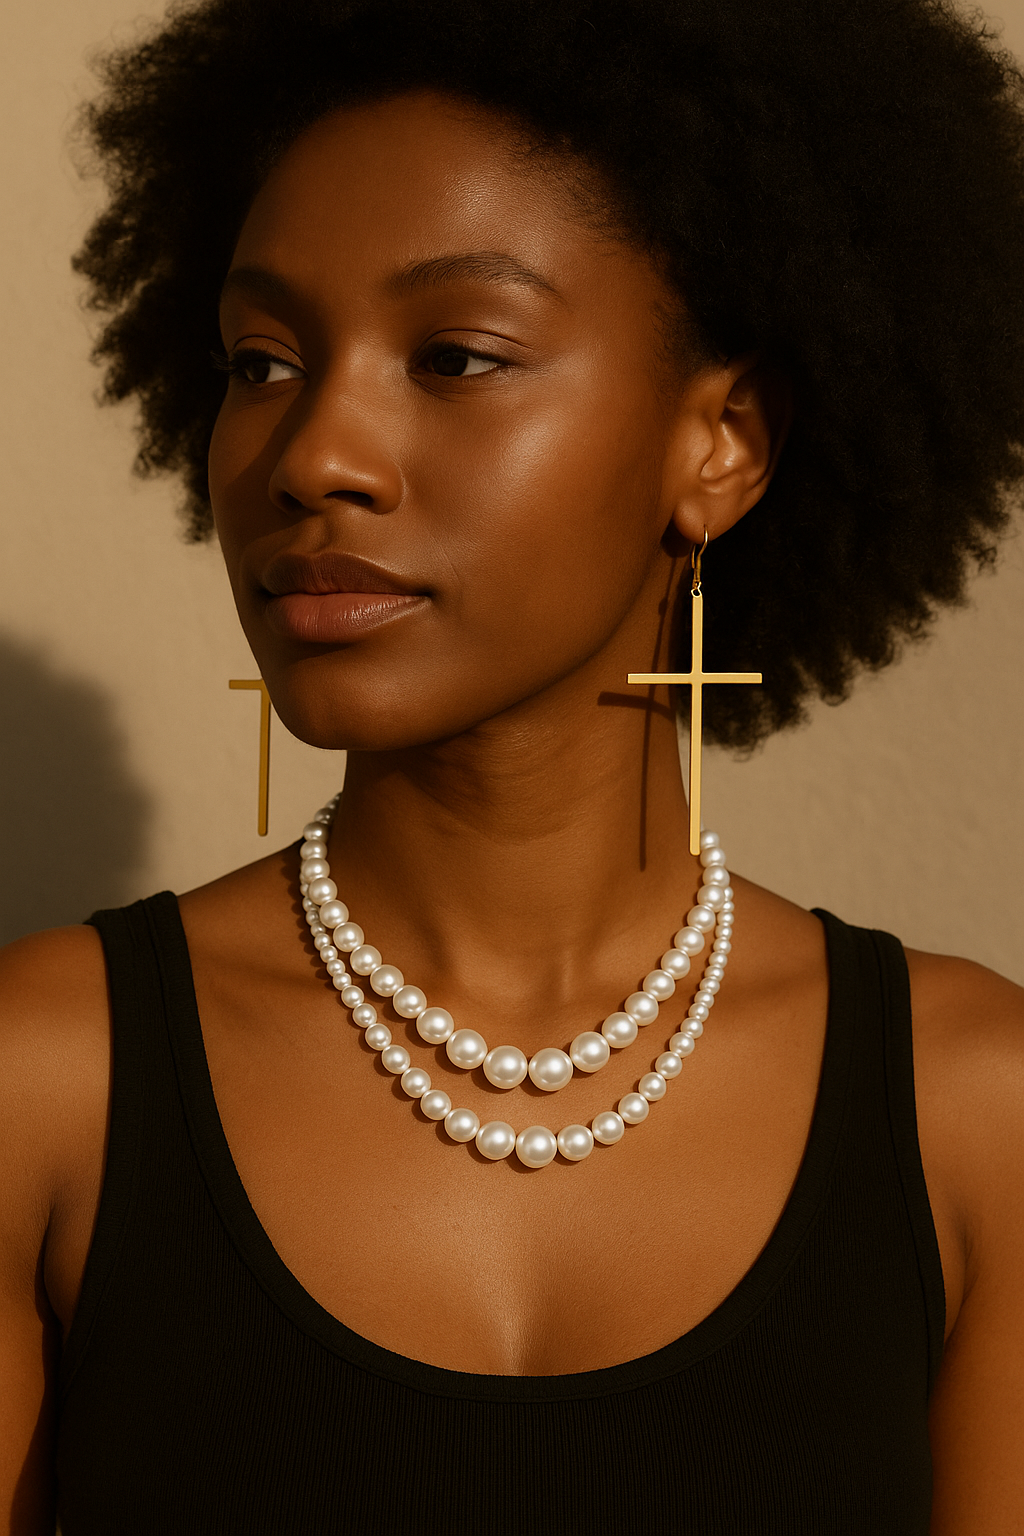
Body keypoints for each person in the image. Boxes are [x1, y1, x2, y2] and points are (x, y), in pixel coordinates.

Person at [2, 0, 1024, 1529]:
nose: (314, 455)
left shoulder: (974, 1114)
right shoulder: (43, 1083)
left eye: (456, 356)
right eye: (262, 361)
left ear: (723, 444)